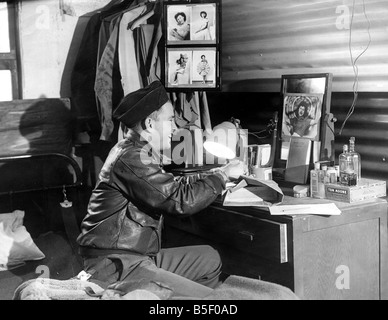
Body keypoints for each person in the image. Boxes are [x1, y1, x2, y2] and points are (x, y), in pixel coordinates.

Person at [76, 81, 244, 298]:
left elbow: (167, 185)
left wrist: (213, 174)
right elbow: (178, 200)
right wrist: (222, 177)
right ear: (149, 123)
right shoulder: (132, 157)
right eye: (170, 120)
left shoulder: (136, 150)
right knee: (214, 300)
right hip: (117, 265)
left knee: (209, 258)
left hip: (136, 257)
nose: (175, 128)